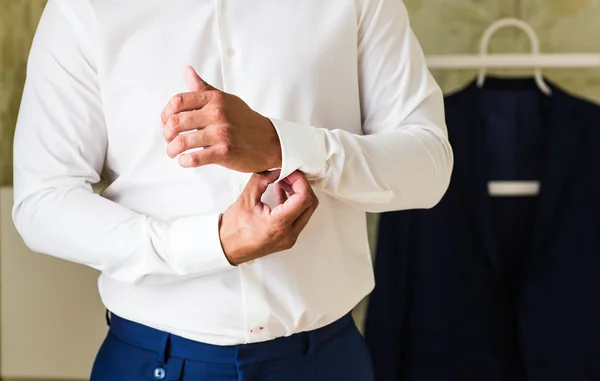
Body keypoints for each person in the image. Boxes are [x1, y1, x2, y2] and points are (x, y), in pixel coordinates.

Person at [12, 0, 453, 380]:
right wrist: (214, 243)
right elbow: (43, 201)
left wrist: (283, 144)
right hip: (154, 360)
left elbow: (429, 163)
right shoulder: (86, 9)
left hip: (325, 360)